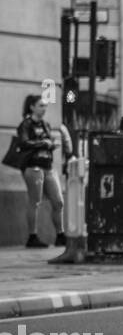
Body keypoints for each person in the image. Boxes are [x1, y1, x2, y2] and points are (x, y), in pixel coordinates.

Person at [16, 95, 66, 248]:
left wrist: (52, 144)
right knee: (35, 201)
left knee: (58, 202)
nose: (44, 109)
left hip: (48, 166)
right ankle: (32, 237)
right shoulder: (26, 124)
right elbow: (23, 142)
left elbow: (48, 141)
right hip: (33, 166)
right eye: (41, 105)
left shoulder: (46, 124)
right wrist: (42, 143)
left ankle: (60, 235)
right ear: (32, 107)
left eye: (45, 106)